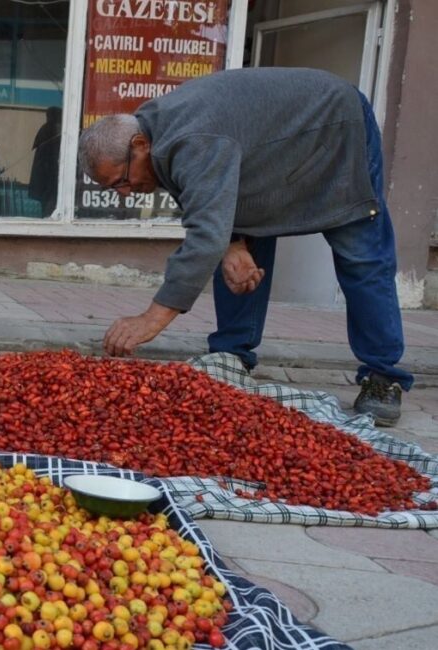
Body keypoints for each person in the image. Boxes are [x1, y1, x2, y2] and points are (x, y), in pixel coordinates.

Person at [77, 67, 411, 425]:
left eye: (122, 181)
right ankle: (232, 354)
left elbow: (206, 236)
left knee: (361, 254)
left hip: (334, 127)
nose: (125, 193)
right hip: (267, 153)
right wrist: (233, 243)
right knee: (235, 251)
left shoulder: (191, 138)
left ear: (139, 146)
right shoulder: (154, 132)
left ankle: (383, 375)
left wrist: (151, 318)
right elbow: (205, 205)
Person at [29, 106, 62, 216]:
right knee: (49, 204)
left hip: (44, 177)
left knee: (47, 205)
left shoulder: (45, 129)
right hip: (49, 176)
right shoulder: (52, 129)